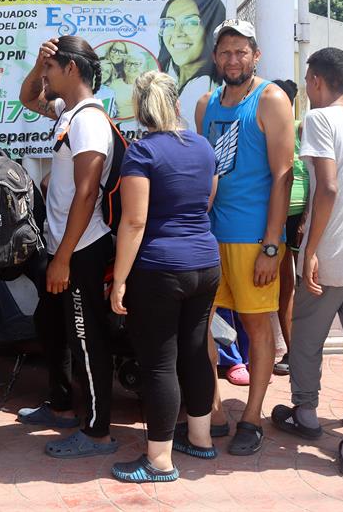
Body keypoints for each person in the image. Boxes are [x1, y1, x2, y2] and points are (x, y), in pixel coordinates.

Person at [269, 47, 343, 478]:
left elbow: (329, 187)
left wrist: (311, 252)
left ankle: (305, 414)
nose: (305, 87)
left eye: (307, 80)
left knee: (305, 339)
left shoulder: (318, 120)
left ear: (317, 81)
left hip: (331, 260)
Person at [109, 71, 220, 483]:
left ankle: (158, 460)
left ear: (140, 108)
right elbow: (205, 201)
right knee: (194, 352)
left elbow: (134, 222)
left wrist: (119, 280)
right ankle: (201, 439)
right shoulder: (203, 146)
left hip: (159, 268)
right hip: (205, 264)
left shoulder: (142, 152)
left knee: (159, 363)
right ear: (175, 103)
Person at [195, 20, 294, 456]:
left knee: (256, 327)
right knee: (203, 328)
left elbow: (283, 176)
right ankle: (213, 411)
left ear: (256, 56)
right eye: (225, 52)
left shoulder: (271, 99)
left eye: (241, 51)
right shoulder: (204, 104)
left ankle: (252, 417)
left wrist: (272, 245)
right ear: (215, 57)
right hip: (209, 238)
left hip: (255, 238)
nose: (232, 60)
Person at [25, 35, 119, 459]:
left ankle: (97, 432)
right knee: (53, 327)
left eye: (51, 67)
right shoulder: (69, 111)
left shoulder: (89, 121)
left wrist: (63, 257)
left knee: (86, 339)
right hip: (62, 246)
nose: (45, 75)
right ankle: (63, 407)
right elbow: (29, 98)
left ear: (72, 69)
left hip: (80, 250)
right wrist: (38, 61)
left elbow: (87, 193)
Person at [273, 78, 307, 376]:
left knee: (309, 285)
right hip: (277, 215)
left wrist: (308, 214)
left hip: (300, 217)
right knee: (285, 287)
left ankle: (306, 352)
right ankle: (292, 352)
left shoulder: (301, 128)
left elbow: (316, 173)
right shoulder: (266, 128)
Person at [157, 0, 225, 104]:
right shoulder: (165, 81)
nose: (177, 33)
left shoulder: (210, 92)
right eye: (169, 23)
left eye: (190, 22)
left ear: (209, 29)